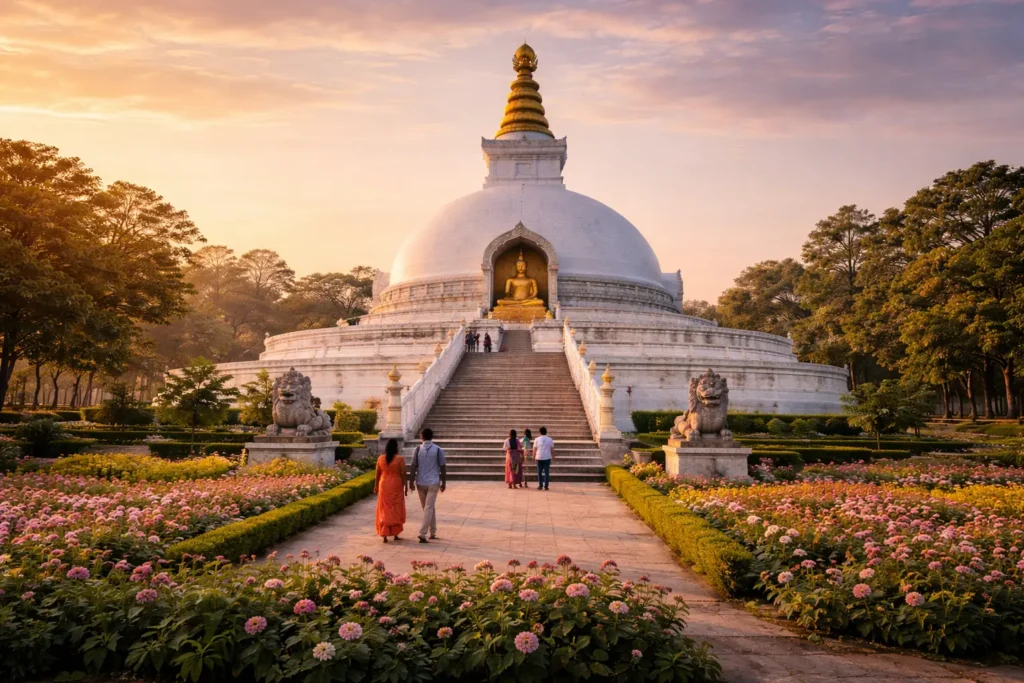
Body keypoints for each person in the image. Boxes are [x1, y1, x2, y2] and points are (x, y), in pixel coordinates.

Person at [409, 427, 446, 543]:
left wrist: (411, 481)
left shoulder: (418, 449)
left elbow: (413, 466)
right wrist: (443, 482)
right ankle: (433, 531)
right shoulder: (438, 449)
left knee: (428, 508)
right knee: (429, 508)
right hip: (433, 481)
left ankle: (422, 533)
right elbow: (443, 467)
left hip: (421, 482)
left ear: (421, 437)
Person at [374, 438, 407, 543]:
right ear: (396, 447)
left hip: (384, 484)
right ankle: (395, 533)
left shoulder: (380, 458)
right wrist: (405, 486)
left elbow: (377, 474)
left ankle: (384, 534)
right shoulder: (400, 459)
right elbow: (403, 474)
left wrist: (375, 486)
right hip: (396, 485)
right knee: (395, 508)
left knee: (384, 508)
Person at [534, 426, 554, 490]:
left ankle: (540, 485)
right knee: (546, 472)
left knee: (539, 472)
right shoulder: (550, 439)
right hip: (547, 457)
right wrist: (553, 456)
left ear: (539, 432)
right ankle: (546, 486)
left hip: (539, 457)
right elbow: (552, 449)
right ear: (546, 432)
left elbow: (534, 449)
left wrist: (533, 456)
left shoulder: (536, 439)